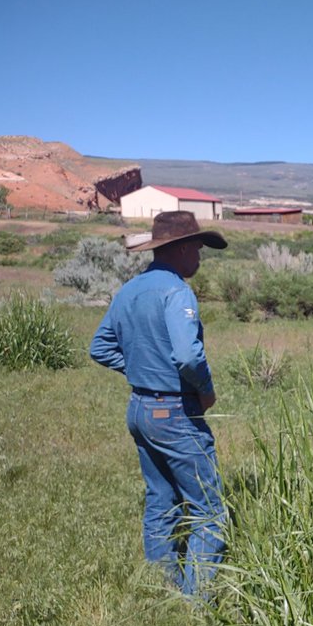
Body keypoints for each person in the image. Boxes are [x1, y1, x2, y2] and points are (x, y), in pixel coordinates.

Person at [90, 211, 228, 596]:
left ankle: (161, 589)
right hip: (175, 411)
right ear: (181, 248)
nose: (200, 257)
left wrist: (139, 370)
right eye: (198, 248)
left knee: (160, 501)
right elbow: (187, 355)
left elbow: (100, 347)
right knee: (209, 510)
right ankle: (193, 601)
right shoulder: (177, 292)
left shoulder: (130, 289)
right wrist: (205, 388)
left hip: (140, 409)